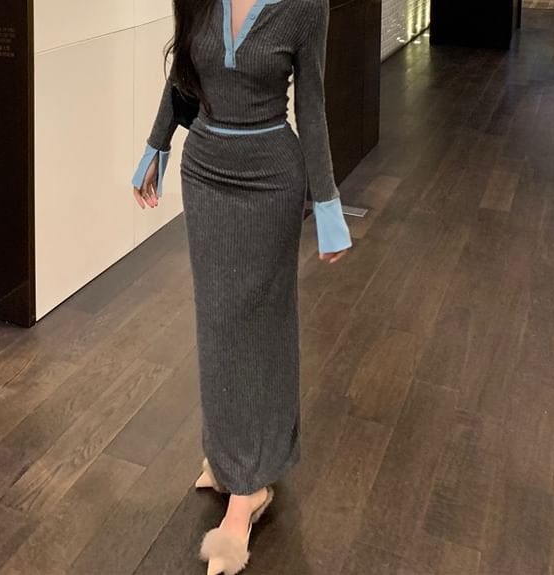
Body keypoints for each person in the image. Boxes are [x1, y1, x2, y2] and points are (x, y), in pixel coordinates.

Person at [131, 0, 352, 573]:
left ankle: (249, 487)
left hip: (271, 178)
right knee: (218, 322)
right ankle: (228, 459)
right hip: (205, 173)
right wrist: (156, 145)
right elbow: (185, 74)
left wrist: (327, 204)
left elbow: (312, 106)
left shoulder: (306, 7)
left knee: (262, 325)